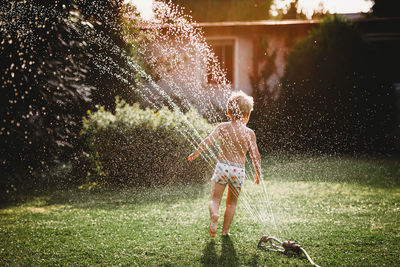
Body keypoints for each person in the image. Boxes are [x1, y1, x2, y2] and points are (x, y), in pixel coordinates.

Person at [188, 91, 261, 237]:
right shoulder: (249, 133)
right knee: (231, 203)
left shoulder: (223, 127)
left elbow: (207, 141)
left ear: (229, 112)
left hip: (223, 167)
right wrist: (257, 173)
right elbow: (255, 156)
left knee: (215, 198)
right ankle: (225, 231)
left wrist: (196, 153)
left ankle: (214, 214)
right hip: (238, 171)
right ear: (247, 115)